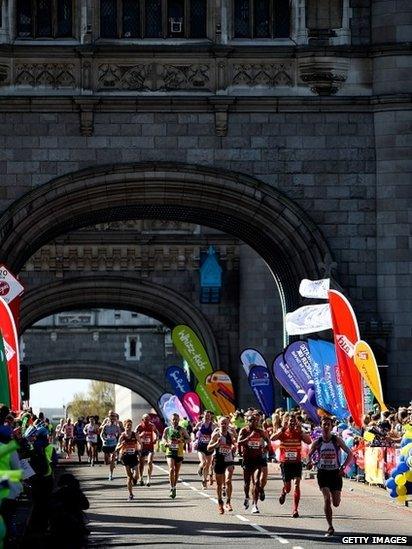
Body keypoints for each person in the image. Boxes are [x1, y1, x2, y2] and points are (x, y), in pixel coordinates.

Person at [307, 416, 353, 537]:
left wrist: (344, 468)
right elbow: (309, 455)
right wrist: (309, 462)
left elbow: (350, 454)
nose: (326, 426)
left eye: (328, 424)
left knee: (336, 503)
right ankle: (330, 526)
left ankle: (334, 499)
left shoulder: (336, 440)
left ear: (332, 426)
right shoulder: (318, 442)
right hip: (323, 473)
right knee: (327, 499)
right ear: (321, 426)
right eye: (324, 424)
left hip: (335, 474)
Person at [271, 413, 312, 518]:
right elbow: (272, 438)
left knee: (297, 485)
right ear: (287, 422)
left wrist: (301, 432)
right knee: (288, 488)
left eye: (294, 421)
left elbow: (309, 441)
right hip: (286, 463)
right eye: (290, 421)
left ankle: (295, 509)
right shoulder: (283, 432)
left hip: (297, 462)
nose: (292, 423)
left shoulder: (299, 432)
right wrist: (281, 430)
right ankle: (284, 492)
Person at [237, 412, 270, 514]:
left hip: (258, 459)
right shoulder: (244, 430)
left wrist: (266, 447)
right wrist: (248, 438)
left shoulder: (260, 431)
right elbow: (239, 442)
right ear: (247, 421)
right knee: (247, 483)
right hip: (247, 459)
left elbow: (268, 440)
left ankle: (255, 505)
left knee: (256, 482)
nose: (254, 422)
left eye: (255, 421)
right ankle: (247, 497)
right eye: (251, 420)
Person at [207, 416, 236, 514]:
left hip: (229, 459)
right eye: (222, 423)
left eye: (226, 423)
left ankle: (228, 502)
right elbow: (208, 448)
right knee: (219, 484)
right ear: (219, 424)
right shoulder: (216, 435)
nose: (224, 425)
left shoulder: (230, 434)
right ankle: (220, 502)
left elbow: (234, 444)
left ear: (228, 424)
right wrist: (216, 444)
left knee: (228, 481)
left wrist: (234, 447)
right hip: (218, 460)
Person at [162, 413, 190, 499]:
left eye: (177, 420)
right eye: (173, 419)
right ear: (171, 420)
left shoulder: (182, 430)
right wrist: (166, 443)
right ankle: (171, 487)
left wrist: (182, 440)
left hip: (179, 453)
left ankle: (174, 487)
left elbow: (189, 439)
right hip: (170, 452)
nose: (175, 421)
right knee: (171, 469)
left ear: (179, 420)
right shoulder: (167, 429)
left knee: (176, 472)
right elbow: (163, 438)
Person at [116, 419, 141, 501]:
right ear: (124, 426)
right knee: (129, 477)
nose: (129, 427)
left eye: (130, 425)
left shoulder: (135, 434)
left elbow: (140, 444)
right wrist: (121, 445)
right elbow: (117, 448)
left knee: (136, 476)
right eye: (127, 425)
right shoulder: (122, 436)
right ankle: (130, 494)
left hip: (134, 456)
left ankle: (135, 479)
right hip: (125, 457)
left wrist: (139, 450)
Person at [193, 411, 216, 489]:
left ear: (210, 417)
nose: (207, 418)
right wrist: (195, 440)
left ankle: (204, 481)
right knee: (203, 462)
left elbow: (217, 434)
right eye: (206, 416)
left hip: (209, 447)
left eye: (208, 416)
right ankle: (200, 468)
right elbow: (194, 431)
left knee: (208, 464)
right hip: (201, 447)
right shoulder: (200, 424)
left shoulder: (213, 425)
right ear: (203, 416)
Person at [135, 414, 158, 486]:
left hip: (150, 447)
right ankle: (141, 478)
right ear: (142, 420)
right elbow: (134, 435)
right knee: (141, 464)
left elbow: (157, 432)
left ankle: (148, 479)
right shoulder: (139, 426)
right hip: (142, 447)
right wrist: (141, 435)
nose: (147, 420)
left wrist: (156, 439)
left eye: (148, 419)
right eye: (146, 419)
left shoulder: (152, 426)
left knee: (150, 462)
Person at [100, 411, 122, 480]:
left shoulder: (117, 425)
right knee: (107, 461)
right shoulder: (106, 424)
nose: (112, 418)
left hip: (114, 444)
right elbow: (101, 434)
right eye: (111, 416)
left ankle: (110, 474)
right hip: (106, 443)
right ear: (109, 417)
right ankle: (112, 464)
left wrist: (119, 442)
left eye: (113, 416)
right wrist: (103, 440)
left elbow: (121, 434)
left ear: (115, 417)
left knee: (112, 458)